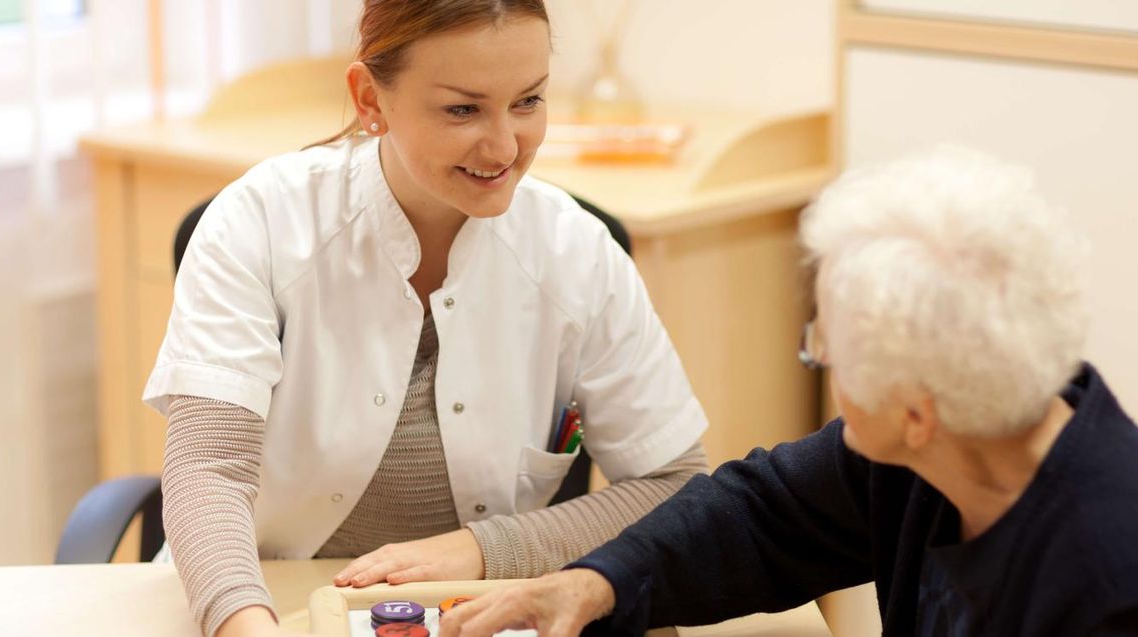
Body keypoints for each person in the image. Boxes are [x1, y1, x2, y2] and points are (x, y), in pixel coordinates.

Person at [437, 147, 1138, 637]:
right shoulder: (946, 447)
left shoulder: (1130, 589)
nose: (819, 362)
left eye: (821, 349)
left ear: (915, 412)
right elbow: (760, 515)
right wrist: (595, 583)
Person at [142, 2, 711, 636]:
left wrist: (482, 549)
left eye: (528, 101)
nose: (504, 147)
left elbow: (673, 484)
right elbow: (208, 470)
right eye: (462, 109)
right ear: (370, 99)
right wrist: (244, 624)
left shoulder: (576, 251)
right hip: (268, 600)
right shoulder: (259, 223)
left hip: (490, 613)